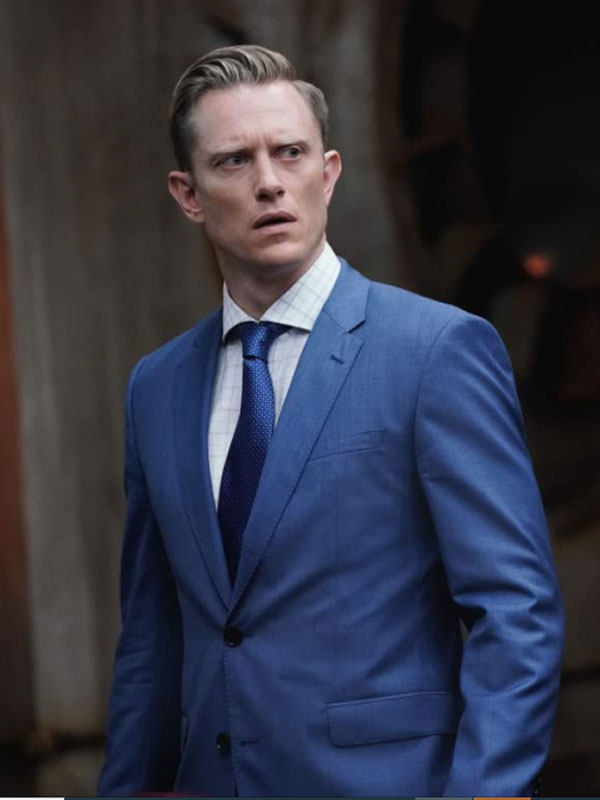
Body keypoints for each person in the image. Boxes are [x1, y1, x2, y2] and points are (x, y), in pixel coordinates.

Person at [98, 45, 564, 797]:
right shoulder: (156, 387)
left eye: (290, 152)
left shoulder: (435, 350)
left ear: (330, 172)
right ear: (188, 194)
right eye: (234, 161)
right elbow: (152, 640)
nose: (269, 182)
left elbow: (516, 610)